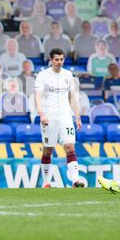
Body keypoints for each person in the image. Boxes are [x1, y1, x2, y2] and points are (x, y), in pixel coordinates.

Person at [34, 48, 84, 188]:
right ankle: (46, 181)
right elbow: (38, 96)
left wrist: (77, 116)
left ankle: (75, 180)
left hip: (65, 117)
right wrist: (41, 114)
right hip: (49, 117)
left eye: (62, 59)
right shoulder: (43, 75)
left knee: (69, 146)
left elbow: (72, 97)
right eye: (56, 59)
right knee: (48, 149)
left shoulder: (68, 75)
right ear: (51, 60)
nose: (59, 62)